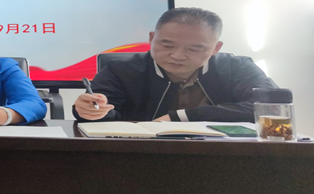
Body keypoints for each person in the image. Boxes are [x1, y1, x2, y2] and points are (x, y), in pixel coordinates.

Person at [73, 7, 278, 123]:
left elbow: (271, 107)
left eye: (194, 48)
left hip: (225, 158)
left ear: (216, 48)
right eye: (167, 45)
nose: (178, 55)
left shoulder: (237, 67)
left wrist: (181, 117)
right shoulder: (120, 70)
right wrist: (88, 110)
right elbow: (104, 111)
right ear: (151, 38)